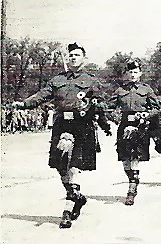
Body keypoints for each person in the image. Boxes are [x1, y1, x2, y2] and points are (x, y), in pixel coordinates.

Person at [12, 42, 111, 229]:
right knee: (60, 166)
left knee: (74, 167)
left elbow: (102, 102)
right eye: (71, 55)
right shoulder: (58, 80)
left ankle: (67, 211)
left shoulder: (91, 80)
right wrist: (23, 104)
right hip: (61, 125)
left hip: (82, 127)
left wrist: (94, 108)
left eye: (77, 55)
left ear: (84, 58)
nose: (73, 57)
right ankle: (77, 197)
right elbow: (41, 95)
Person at [108, 59, 160, 206]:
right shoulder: (120, 90)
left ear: (140, 73)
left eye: (135, 72)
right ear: (127, 73)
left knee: (135, 157)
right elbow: (109, 108)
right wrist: (116, 119)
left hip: (141, 126)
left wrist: (146, 115)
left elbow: (156, 109)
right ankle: (133, 179)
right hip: (124, 126)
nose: (133, 74)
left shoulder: (146, 89)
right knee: (125, 160)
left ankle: (131, 190)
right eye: (130, 72)